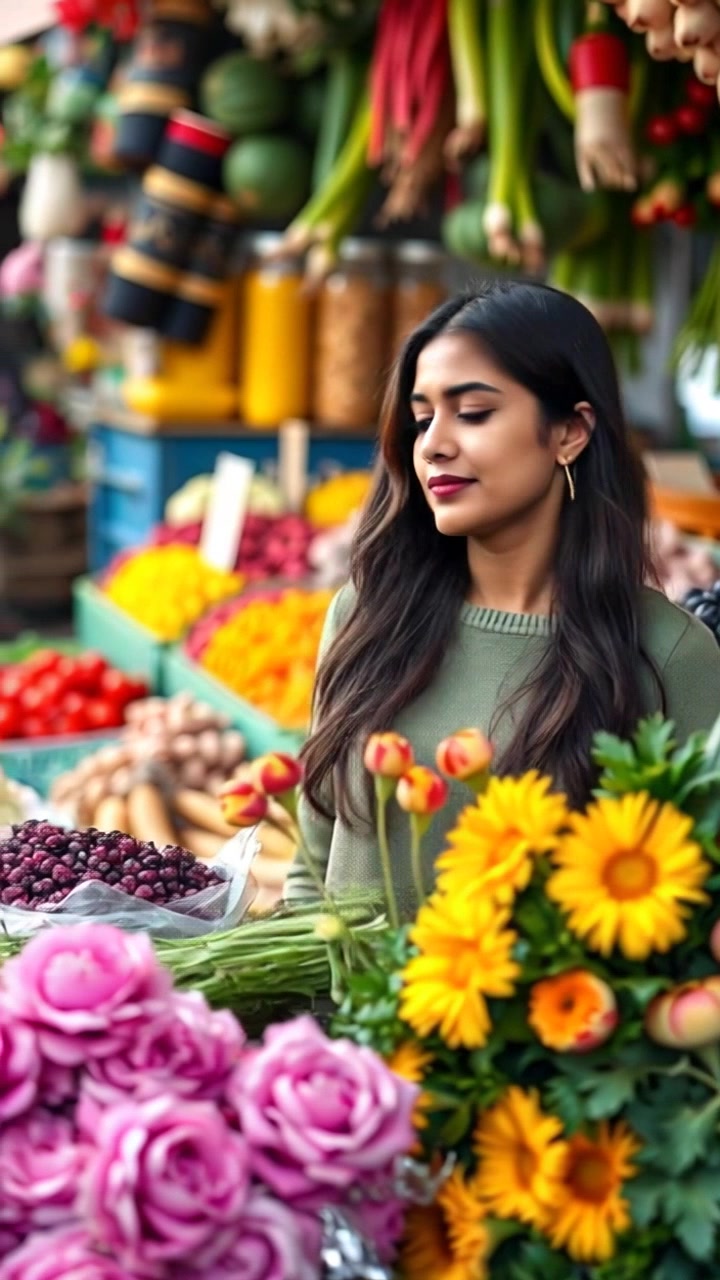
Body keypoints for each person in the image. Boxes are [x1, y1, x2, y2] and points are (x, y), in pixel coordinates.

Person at [286, 280, 720, 914]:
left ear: (570, 431)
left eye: (474, 412)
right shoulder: (367, 615)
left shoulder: (670, 655)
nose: (434, 443)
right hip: (341, 1012)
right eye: (422, 416)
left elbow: (692, 907)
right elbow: (311, 866)